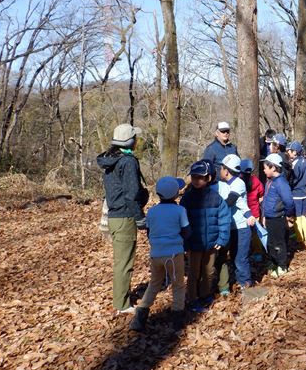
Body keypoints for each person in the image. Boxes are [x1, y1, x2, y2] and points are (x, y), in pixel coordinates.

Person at [97, 124, 148, 314]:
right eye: (135, 138)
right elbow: (131, 193)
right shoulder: (127, 162)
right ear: (130, 141)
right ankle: (122, 304)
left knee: (121, 260)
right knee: (124, 262)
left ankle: (121, 299)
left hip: (115, 216)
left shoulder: (111, 159)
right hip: (124, 216)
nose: (137, 141)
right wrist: (140, 217)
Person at [130, 176, 190, 332]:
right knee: (178, 285)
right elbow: (186, 231)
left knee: (154, 284)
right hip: (174, 255)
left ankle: (140, 317)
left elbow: (149, 232)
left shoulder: (152, 211)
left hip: (155, 254)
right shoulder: (179, 210)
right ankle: (177, 319)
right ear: (176, 194)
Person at [180, 160, 230, 313]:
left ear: (208, 178)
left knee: (209, 271)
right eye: (194, 177)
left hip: (212, 243)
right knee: (194, 273)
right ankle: (192, 298)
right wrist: (184, 242)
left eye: (200, 177)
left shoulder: (216, 198)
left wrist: (222, 239)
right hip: (194, 244)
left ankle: (205, 294)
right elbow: (181, 222)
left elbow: (224, 219)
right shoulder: (187, 198)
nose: (196, 180)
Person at [218, 154, 255, 293]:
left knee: (240, 258)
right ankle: (238, 281)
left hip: (240, 227)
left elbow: (229, 201)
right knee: (233, 257)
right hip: (230, 226)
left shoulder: (238, 183)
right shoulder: (223, 184)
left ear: (226, 170)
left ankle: (246, 284)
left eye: (221, 168)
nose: (220, 171)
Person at [262, 153, 296, 278]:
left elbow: (289, 201)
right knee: (271, 242)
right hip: (270, 217)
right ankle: (274, 263)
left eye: (266, 167)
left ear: (274, 168)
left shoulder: (281, 182)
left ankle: (282, 266)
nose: (264, 170)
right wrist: (264, 215)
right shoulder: (269, 181)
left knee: (279, 243)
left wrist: (288, 216)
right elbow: (266, 199)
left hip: (278, 218)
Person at [287, 141, 306, 247]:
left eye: (290, 151)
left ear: (294, 152)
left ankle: (300, 238)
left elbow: (294, 179)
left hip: (296, 193)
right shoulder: (305, 161)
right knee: (303, 216)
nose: (288, 152)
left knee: (298, 217)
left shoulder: (295, 164)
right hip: (304, 192)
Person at [240, 159, 265, 260]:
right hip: (255, 212)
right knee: (255, 234)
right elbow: (261, 195)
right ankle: (258, 252)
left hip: (243, 213)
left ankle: (245, 253)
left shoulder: (239, 181)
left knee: (244, 235)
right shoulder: (256, 181)